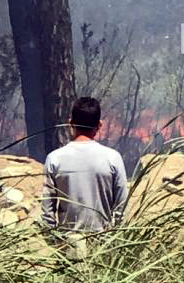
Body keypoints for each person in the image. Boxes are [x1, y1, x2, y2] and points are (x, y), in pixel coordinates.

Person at [42, 97, 129, 256]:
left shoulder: (55, 159)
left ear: (70, 123)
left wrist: (57, 243)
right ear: (99, 125)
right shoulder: (113, 158)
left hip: (69, 247)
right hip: (103, 245)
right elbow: (122, 206)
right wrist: (112, 238)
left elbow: (47, 212)